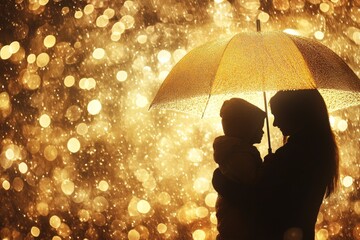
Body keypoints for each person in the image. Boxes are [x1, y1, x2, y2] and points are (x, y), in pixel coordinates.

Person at [212, 89, 339, 240]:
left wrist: (220, 181)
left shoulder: (294, 155)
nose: (275, 123)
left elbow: (259, 204)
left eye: (277, 115)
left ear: (294, 113)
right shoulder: (315, 150)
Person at [213, 98, 266, 240]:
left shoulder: (236, 152)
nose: (262, 132)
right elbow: (253, 182)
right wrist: (268, 166)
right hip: (238, 224)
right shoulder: (240, 155)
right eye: (258, 127)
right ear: (245, 128)